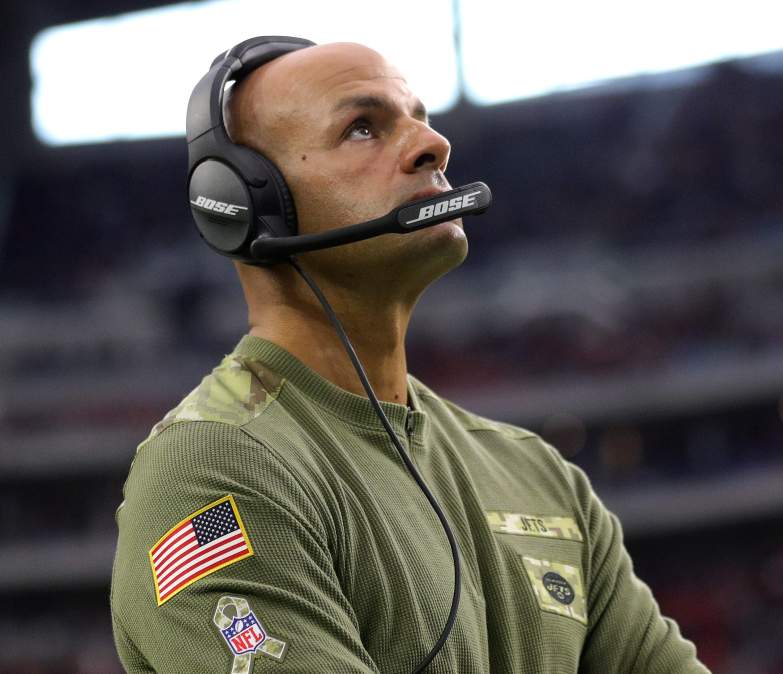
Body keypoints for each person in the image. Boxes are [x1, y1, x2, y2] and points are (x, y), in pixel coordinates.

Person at [109, 40, 709, 673]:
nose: (434, 144)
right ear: (247, 203)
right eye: (362, 128)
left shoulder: (538, 473)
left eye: (419, 117)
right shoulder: (211, 468)